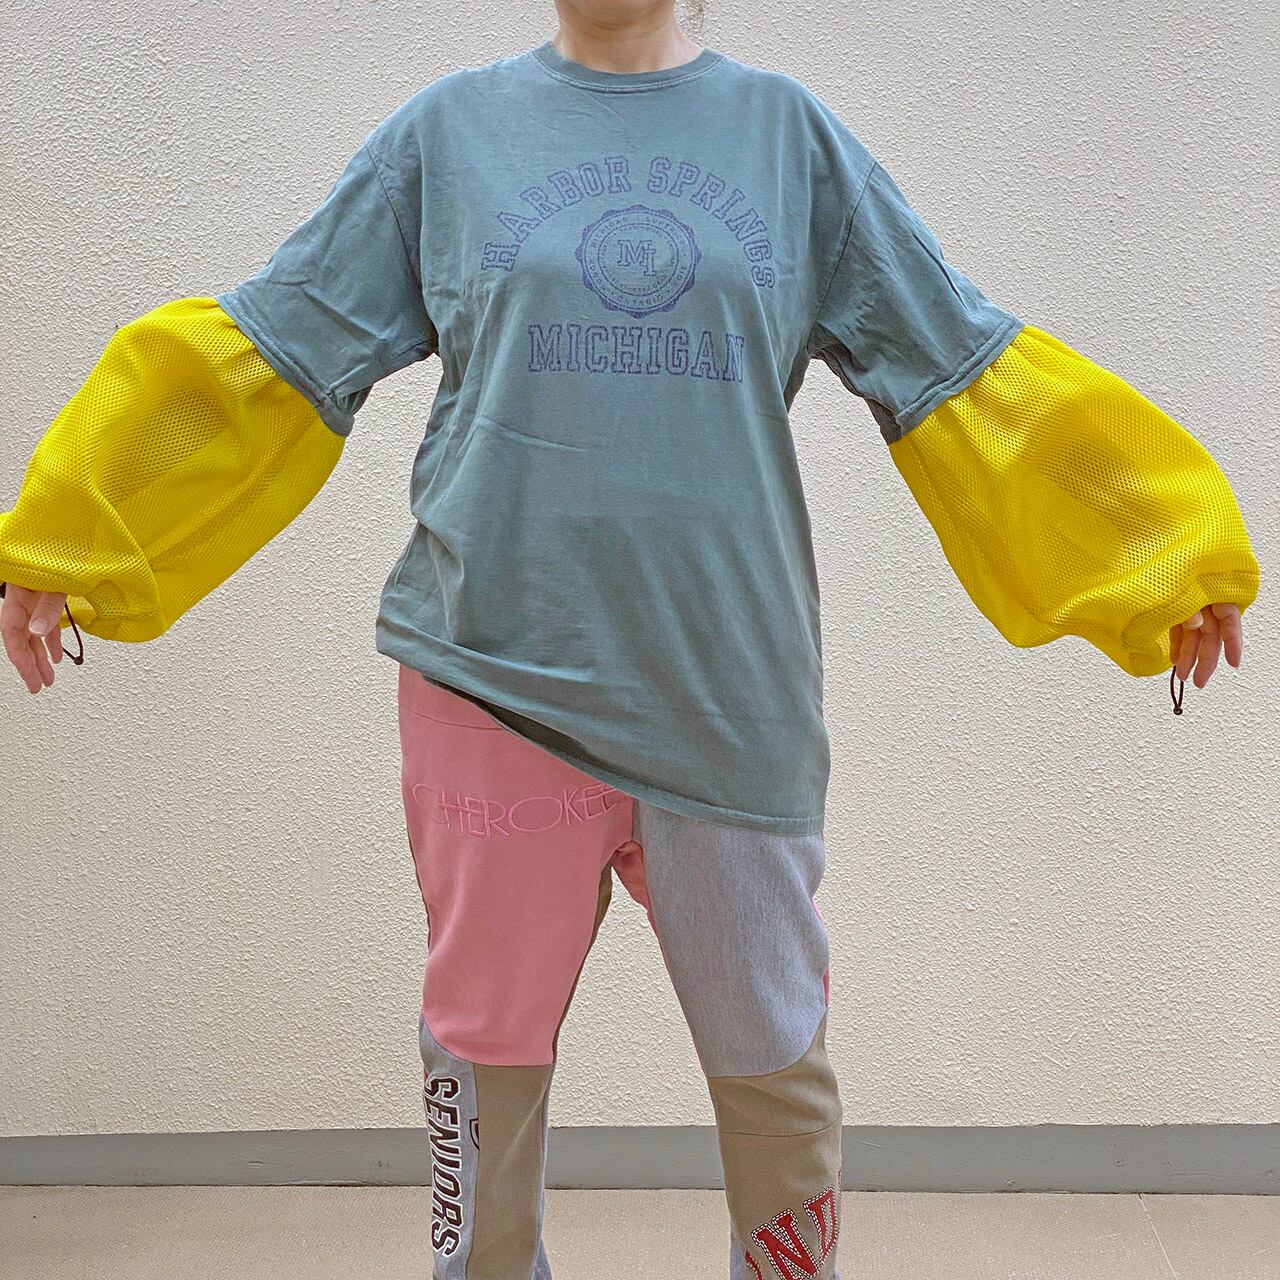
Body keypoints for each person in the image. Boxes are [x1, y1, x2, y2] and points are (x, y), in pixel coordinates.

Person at [0, 3, 1259, 1277]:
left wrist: (1145, 552)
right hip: (489, 677)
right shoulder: (447, 136)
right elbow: (280, 343)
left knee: (773, 1057)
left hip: (727, 690)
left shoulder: (788, 139)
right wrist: (77, 534)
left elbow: (954, 360)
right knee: (483, 1047)